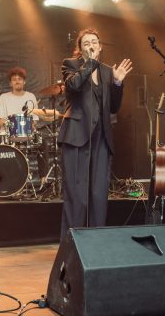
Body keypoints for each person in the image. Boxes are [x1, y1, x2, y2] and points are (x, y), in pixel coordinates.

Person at [57, 28, 132, 240]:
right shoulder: (71, 64)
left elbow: (114, 107)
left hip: (102, 137)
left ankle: (97, 242)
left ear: (100, 46)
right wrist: (89, 63)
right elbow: (73, 85)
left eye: (94, 42)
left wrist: (117, 83)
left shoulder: (109, 71)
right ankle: (72, 243)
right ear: (80, 49)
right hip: (76, 136)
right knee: (77, 195)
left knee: (99, 195)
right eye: (86, 43)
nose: (91, 45)